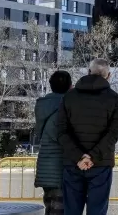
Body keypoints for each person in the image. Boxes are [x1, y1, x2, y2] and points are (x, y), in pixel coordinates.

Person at [57, 59, 118, 215]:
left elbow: (61, 132)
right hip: (101, 164)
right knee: (97, 211)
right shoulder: (114, 99)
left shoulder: (69, 97)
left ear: (88, 72)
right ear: (109, 76)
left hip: (73, 164)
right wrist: (92, 157)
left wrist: (80, 157)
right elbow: (114, 133)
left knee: (71, 211)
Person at [34, 70, 73, 215]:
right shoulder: (65, 107)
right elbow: (63, 137)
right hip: (59, 168)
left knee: (50, 207)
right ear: (70, 86)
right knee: (58, 209)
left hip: (45, 165)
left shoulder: (43, 105)